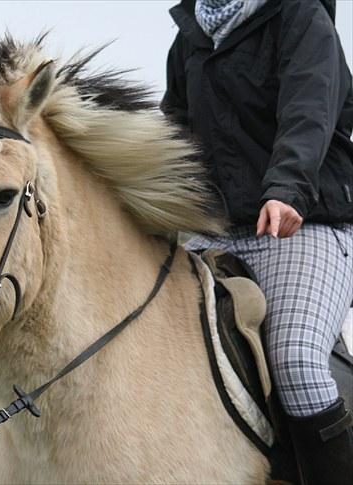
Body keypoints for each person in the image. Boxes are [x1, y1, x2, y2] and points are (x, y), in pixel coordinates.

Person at [161, 0, 353, 483]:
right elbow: (173, 132)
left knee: (296, 362)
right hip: (213, 234)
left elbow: (309, 112)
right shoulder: (190, 36)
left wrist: (287, 190)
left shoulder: (302, 17)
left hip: (304, 224)